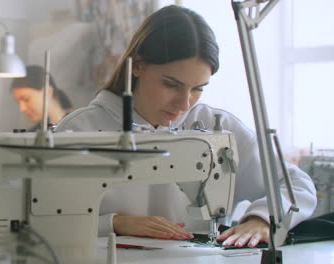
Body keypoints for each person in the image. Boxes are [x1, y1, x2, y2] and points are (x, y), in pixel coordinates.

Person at [55, 5, 316, 248]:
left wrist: (261, 219)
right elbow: (43, 220)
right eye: (171, 84)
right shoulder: (79, 130)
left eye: (198, 89)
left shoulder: (219, 128)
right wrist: (114, 223)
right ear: (138, 66)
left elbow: (296, 186)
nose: (184, 103)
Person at [11, 65, 73, 131]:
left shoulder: (79, 127)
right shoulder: (32, 136)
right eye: (18, 102)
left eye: (26, 99)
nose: (22, 108)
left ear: (48, 92)